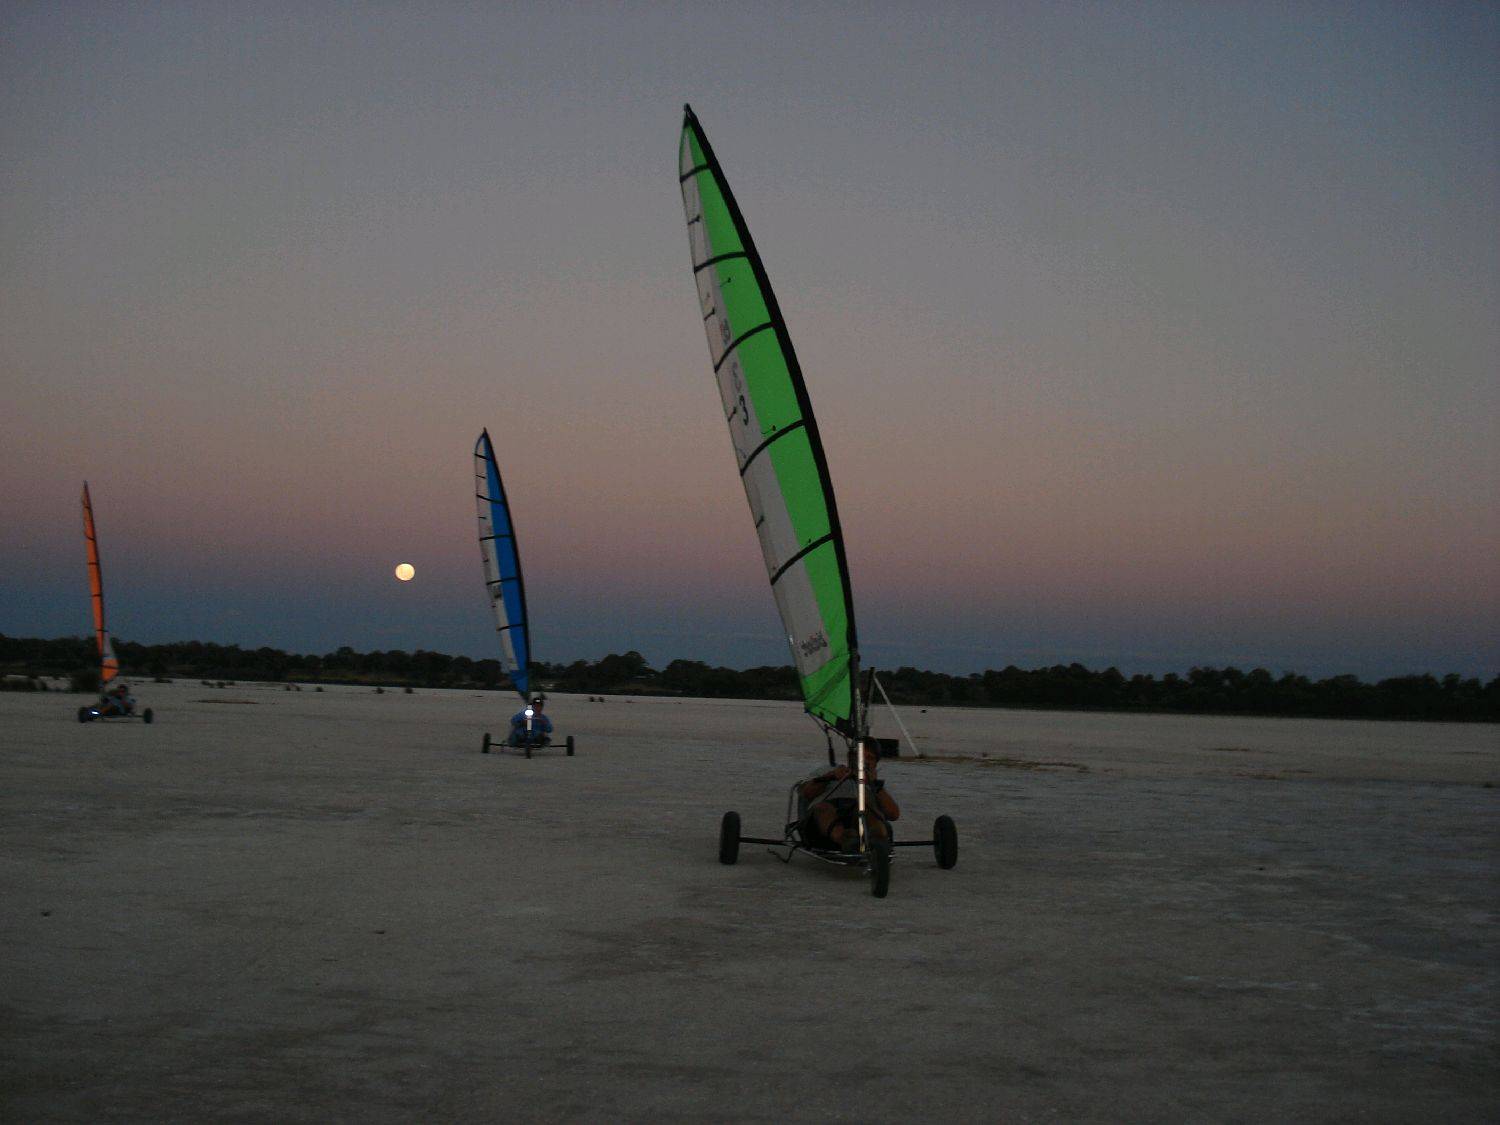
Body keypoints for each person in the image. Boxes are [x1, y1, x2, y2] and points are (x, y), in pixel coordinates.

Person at [798, 740, 900, 851]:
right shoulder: (828, 770)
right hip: (823, 822)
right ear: (851, 757)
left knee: (865, 809)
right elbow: (806, 793)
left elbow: (894, 814)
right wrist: (830, 777)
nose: (864, 760)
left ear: (875, 764)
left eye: (869, 758)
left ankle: (877, 840)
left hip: (859, 820)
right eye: (860, 756)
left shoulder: (875, 785)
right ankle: (846, 839)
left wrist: (874, 784)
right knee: (823, 808)